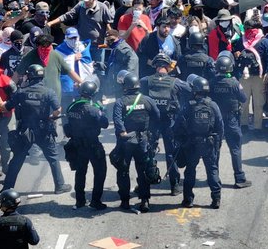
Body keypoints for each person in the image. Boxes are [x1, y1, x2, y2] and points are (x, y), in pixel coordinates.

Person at [0, 64, 71, 194]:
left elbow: (6, 107)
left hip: (25, 131)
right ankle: (59, 186)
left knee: (17, 159)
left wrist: (0, 104)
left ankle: (7, 188)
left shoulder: (21, 92)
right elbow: (58, 110)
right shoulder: (49, 92)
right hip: (44, 130)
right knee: (53, 158)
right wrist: (51, 117)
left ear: (29, 76)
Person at [112, 72, 161, 212]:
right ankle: (145, 200)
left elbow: (117, 120)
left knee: (123, 171)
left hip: (126, 141)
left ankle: (125, 201)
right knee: (143, 170)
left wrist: (122, 132)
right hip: (142, 140)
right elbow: (157, 117)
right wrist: (152, 134)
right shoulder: (147, 100)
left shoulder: (120, 102)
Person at [174, 75, 224, 209]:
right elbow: (220, 126)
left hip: (192, 144)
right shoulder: (213, 105)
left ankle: (188, 200)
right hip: (209, 143)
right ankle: (216, 199)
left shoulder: (187, 106)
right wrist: (217, 144)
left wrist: (180, 141)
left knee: (190, 171)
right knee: (212, 170)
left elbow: (178, 125)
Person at [140, 52, 185, 196]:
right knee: (171, 154)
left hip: (152, 122)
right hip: (169, 122)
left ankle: (145, 181)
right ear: (168, 66)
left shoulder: (146, 81)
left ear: (155, 66)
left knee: (149, 152)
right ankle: (175, 185)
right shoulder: (175, 82)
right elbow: (191, 90)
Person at [64, 80, 108, 210]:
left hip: (77, 145)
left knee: (80, 173)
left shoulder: (71, 106)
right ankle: (95, 201)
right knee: (100, 172)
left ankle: (80, 201)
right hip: (93, 145)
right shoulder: (93, 109)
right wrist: (102, 111)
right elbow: (105, 123)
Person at [211, 55, 251, 188]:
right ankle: (239, 178)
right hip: (231, 119)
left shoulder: (211, 82)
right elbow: (244, 98)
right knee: (235, 148)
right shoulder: (234, 83)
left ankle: (214, 179)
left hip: (216, 120)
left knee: (215, 150)